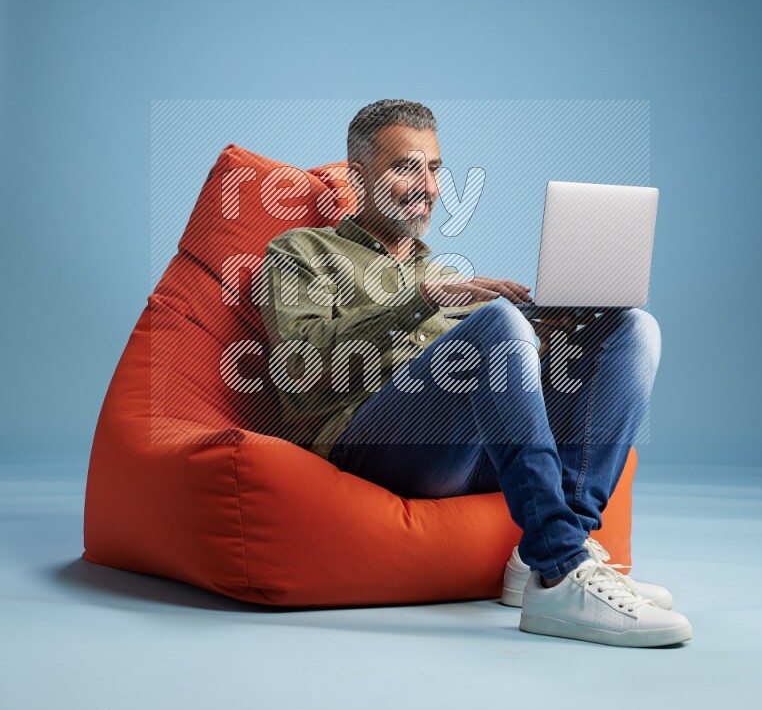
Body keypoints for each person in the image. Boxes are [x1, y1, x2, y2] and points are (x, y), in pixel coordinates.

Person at [258, 99, 692, 648]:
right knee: (496, 323)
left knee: (631, 329)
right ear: (359, 177)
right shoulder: (300, 251)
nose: (427, 187)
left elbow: (493, 380)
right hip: (366, 446)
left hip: (463, 452)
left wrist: (546, 332)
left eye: (435, 169)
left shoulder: (442, 272)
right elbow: (298, 363)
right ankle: (560, 568)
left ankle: (557, 551)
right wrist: (424, 301)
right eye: (405, 168)